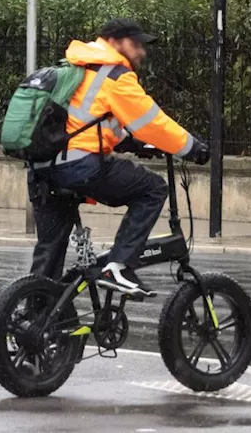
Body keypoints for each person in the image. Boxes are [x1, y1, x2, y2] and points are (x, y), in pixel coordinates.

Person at [26, 18, 210, 297]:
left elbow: (89, 121)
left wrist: (130, 142)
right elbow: (151, 122)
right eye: (135, 44)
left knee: (49, 253)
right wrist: (191, 147)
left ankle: (38, 321)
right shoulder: (114, 74)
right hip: (80, 165)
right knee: (152, 188)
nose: (141, 52)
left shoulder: (79, 67)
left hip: (44, 167)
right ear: (114, 42)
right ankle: (119, 265)